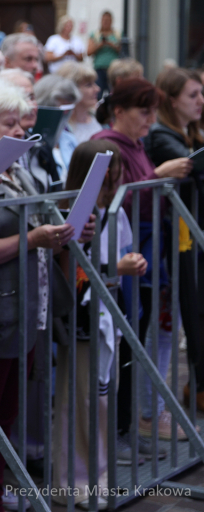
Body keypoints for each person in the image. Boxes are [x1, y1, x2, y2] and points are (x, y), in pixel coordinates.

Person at [0, 76, 92, 512]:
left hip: (23, 308)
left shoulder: (17, 170)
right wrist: (36, 239)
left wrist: (66, 228)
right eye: (10, 123)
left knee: (5, 413)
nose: (21, 132)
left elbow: (39, 223)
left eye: (19, 123)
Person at [92, 78, 195, 444]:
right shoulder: (104, 145)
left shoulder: (134, 145)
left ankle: (126, 427)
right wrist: (159, 176)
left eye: (154, 109)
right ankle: (115, 432)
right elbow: (112, 202)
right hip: (122, 259)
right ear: (118, 111)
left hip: (146, 254)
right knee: (119, 346)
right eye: (143, 110)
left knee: (135, 340)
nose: (151, 117)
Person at [53, 139, 147, 503]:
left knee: (103, 398)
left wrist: (128, 263)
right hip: (83, 318)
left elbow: (119, 254)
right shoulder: (73, 212)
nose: (117, 178)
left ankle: (98, 473)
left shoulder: (114, 211)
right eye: (110, 172)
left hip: (110, 314)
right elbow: (69, 268)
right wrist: (115, 268)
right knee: (78, 400)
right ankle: (70, 480)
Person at [145, 68, 204, 414]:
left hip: (188, 238)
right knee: (174, 322)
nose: (200, 101)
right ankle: (152, 409)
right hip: (174, 239)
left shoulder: (188, 133)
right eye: (193, 95)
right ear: (170, 99)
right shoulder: (163, 136)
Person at [87, 10, 122, 90]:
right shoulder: (95, 34)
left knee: (113, 90)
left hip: (114, 69)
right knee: (98, 91)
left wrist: (110, 44)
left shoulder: (117, 34)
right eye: (104, 20)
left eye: (108, 20)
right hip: (99, 68)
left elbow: (122, 50)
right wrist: (100, 45)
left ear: (111, 21)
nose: (105, 22)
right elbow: (89, 52)